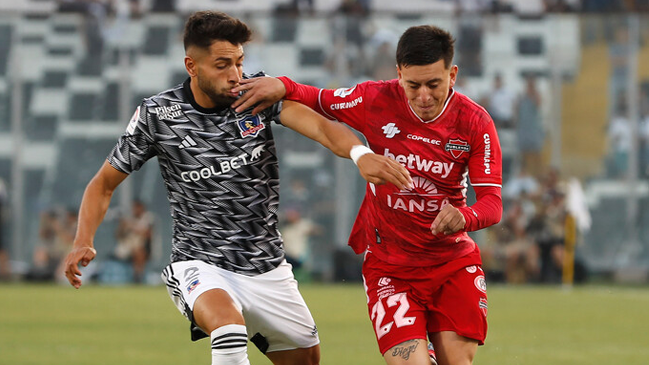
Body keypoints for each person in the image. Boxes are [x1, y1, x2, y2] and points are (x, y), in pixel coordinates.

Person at [62, 10, 411, 365]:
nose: (235, 75)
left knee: (305, 360)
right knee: (228, 331)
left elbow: (321, 128)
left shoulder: (257, 94)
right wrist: (83, 240)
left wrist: (359, 153)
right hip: (200, 263)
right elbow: (103, 184)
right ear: (192, 66)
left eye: (240, 63)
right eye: (222, 65)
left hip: (267, 265)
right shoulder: (159, 115)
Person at [232, 25, 503, 365]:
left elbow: (492, 203)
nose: (423, 96)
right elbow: (319, 99)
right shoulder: (375, 98)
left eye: (434, 84)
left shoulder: (475, 122)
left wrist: (466, 216)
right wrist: (283, 85)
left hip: (451, 263)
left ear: (453, 74)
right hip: (391, 267)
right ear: (398, 73)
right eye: (413, 85)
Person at [113, 200, 155, 283]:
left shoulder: (148, 218)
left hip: (144, 247)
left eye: (138, 208)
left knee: (139, 251)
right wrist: (122, 227)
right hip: (127, 246)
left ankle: (138, 276)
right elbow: (118, 236)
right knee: (134, 250)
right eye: (134, 208)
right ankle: (134, 276)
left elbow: (148, 235)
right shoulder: (128, 219)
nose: (136, 210)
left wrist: (132, 227)